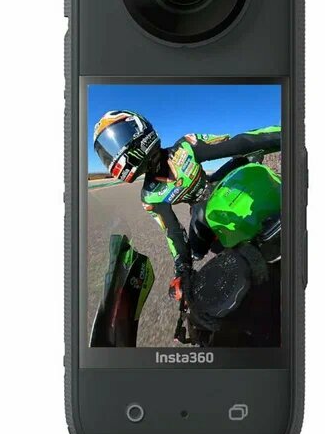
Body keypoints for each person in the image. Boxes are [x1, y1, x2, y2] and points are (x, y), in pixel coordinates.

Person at [93, 110, 280, 302]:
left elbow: (239, 143)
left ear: (138, 128)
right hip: (202, 210)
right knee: (198, 244)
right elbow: (173, 232)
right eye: (107, 151)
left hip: (220, 184)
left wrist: (284, 134)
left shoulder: (186, 146)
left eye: (117, 140)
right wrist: (182, 269)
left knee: (246, 159)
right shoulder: (149, 197)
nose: (112, 154)